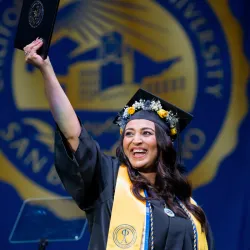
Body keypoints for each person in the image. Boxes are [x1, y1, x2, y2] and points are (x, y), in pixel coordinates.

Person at [24, 38, 214, 250]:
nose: (136, 140)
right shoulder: (109, 180)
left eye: (146, 133)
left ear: (164, 143)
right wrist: (46, 69)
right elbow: (72, 134)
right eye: (129, 133)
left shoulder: (187, 207)